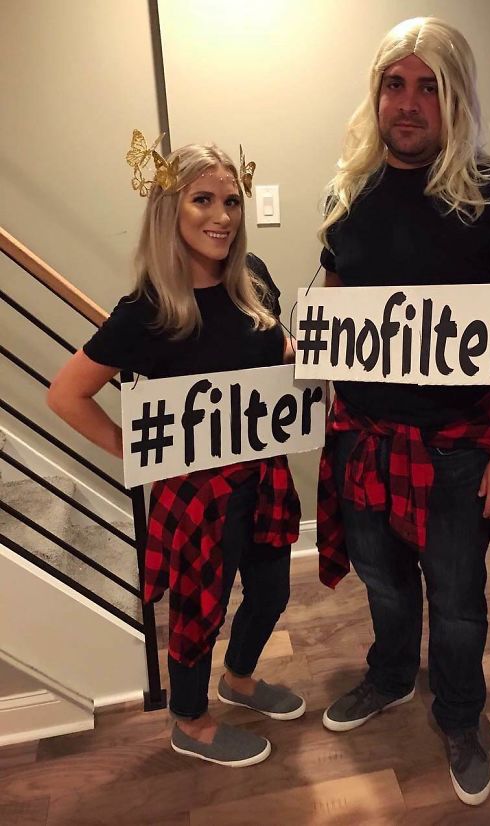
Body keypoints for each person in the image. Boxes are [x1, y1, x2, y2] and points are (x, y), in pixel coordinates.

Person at [315, 17, 490, 807]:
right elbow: (336, 305)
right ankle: (390, 676)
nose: (409, 103)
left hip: (457, 449)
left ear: (456, 97)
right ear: (376, 94)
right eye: (395, 84)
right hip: (363, 439)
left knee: (455, 603)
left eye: (430, 86)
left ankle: (458, 716)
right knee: (382, 583)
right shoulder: (347, 195)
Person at [47, 142, 305, 768]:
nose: (222, 216)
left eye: (232, 202)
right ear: (171, 210)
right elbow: (66, 394)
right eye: (203, 200)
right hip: (197, 492)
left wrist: (302, 355)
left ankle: (239, 678)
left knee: (271, 591)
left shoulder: (253, 279)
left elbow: (274, 351)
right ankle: (190, 720)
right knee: (198, 609)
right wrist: (134, 447)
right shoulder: (147, 311)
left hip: (264, 471)